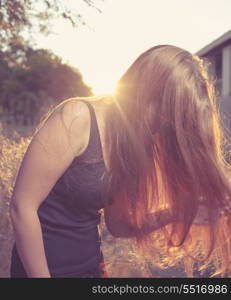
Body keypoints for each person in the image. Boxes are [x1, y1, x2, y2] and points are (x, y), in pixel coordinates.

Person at [10, 45, 231, 278]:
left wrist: (175, 213)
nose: (165, 129)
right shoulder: (77, 117)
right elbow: (22, 208)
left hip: (91, 270)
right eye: (168, 116)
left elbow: (118, 226)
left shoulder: (135, 144)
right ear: (147, 93)